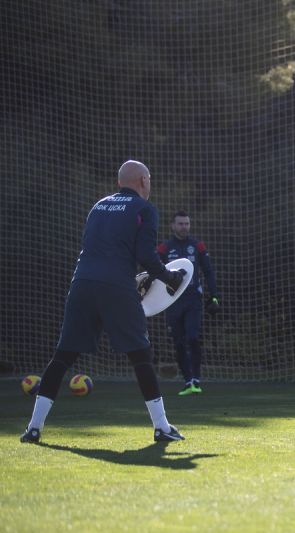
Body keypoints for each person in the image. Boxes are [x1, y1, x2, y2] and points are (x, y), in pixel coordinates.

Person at [21, 160, 188, 444]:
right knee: (141, 356)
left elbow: (102, 249)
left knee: (62, 357)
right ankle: (162, 427)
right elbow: (145, 255)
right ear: (143, 181)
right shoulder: (145, 209)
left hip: (82, 283)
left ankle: (33, 428)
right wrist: (169, 277)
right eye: (149, 178)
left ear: (119, 182)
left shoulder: (98, 206)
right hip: (117, 286)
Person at [157, 211, 219, 396]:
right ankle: (188, 381)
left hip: (193, 299)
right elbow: (155, 274)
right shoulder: (164, 248)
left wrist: (214, 296)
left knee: (192, 337)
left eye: (187, 224)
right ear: (173, 226)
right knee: (178, 342)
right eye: (180, 224)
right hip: (173, 300)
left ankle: (197, 380)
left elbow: (208, 271)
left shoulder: (197, 246)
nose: (184, 227)